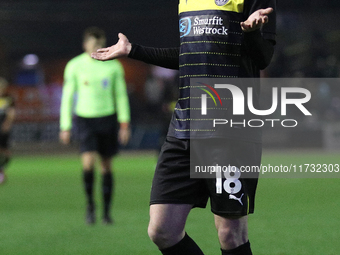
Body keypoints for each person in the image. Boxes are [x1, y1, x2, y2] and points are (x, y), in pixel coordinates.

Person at [92, 0, 276, 254]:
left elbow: (263, 58)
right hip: (184, 126)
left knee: (230, 234)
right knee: (162, 230)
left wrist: (252, 32)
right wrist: (133, 50)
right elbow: (187, 55)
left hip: (230, 127)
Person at [60, 26, 131, 225]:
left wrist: (124, 123)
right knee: (88, 163)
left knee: (106, 167)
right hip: (84, 119)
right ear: (85, 44)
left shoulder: (113, 66)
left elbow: (121, 96)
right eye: (93, 43)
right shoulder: (74, 65)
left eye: (99, 43)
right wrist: (65, 125)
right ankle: (90, 205)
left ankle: (107, 213)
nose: (96, 47)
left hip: (107, 118)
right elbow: (67, 97)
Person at [0, 77, 15, 185]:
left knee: (6, 152)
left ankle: (2, 169)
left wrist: (7, 123)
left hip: (4, 129)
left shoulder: (8, 98)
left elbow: (11, 112)